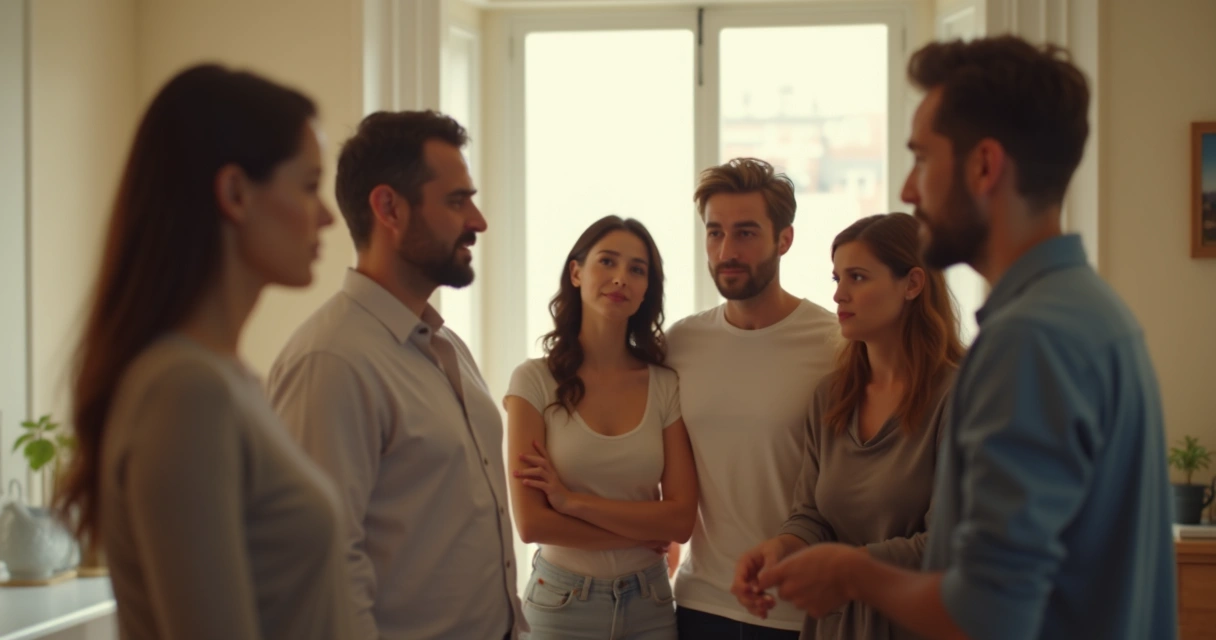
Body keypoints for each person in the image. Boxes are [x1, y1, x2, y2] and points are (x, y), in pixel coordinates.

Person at [755, 35, 1178, 640]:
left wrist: (853, 572)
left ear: (984, 165)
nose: (908, 188)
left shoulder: (1030, 343)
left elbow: (988, 612)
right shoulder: (1093, 312)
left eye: (922, 159)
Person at [56, 64, 351, 640]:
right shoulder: (186, 391)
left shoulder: (222, 380)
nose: (326, 216)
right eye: (309, 185)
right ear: (236, 192)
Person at [267, 110, 522, 640]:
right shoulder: (331, 362)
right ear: (389, 208)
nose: (478, 221)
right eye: (457, 200)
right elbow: (320, 573)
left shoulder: (446, 347)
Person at [733, 212, 964, 640]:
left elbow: (947, 543)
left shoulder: (962, 396)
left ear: (913, 284)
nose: (839, 294)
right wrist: (779, 549)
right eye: (837, 278)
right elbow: (812, 516)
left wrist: (840, 569)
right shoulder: (831, 397)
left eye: (857, 277)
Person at [666, 158, 840, 639]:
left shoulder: (836, 344)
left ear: (784, 239)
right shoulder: (681, 343)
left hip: (800, 610)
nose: (726, 251)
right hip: (700, 604)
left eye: (745, 233)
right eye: (715, 232)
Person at [506, 215, 697, 639]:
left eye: (636, 269)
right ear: (576, 272)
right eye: (606, 262)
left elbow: (680, 520)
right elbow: (533, 524)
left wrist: (572, 502)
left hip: (650, 604)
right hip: (560, 603)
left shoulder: (665, 384)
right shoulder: (533, 380)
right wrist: (639, 529)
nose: (620, 278)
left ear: (647, 288)